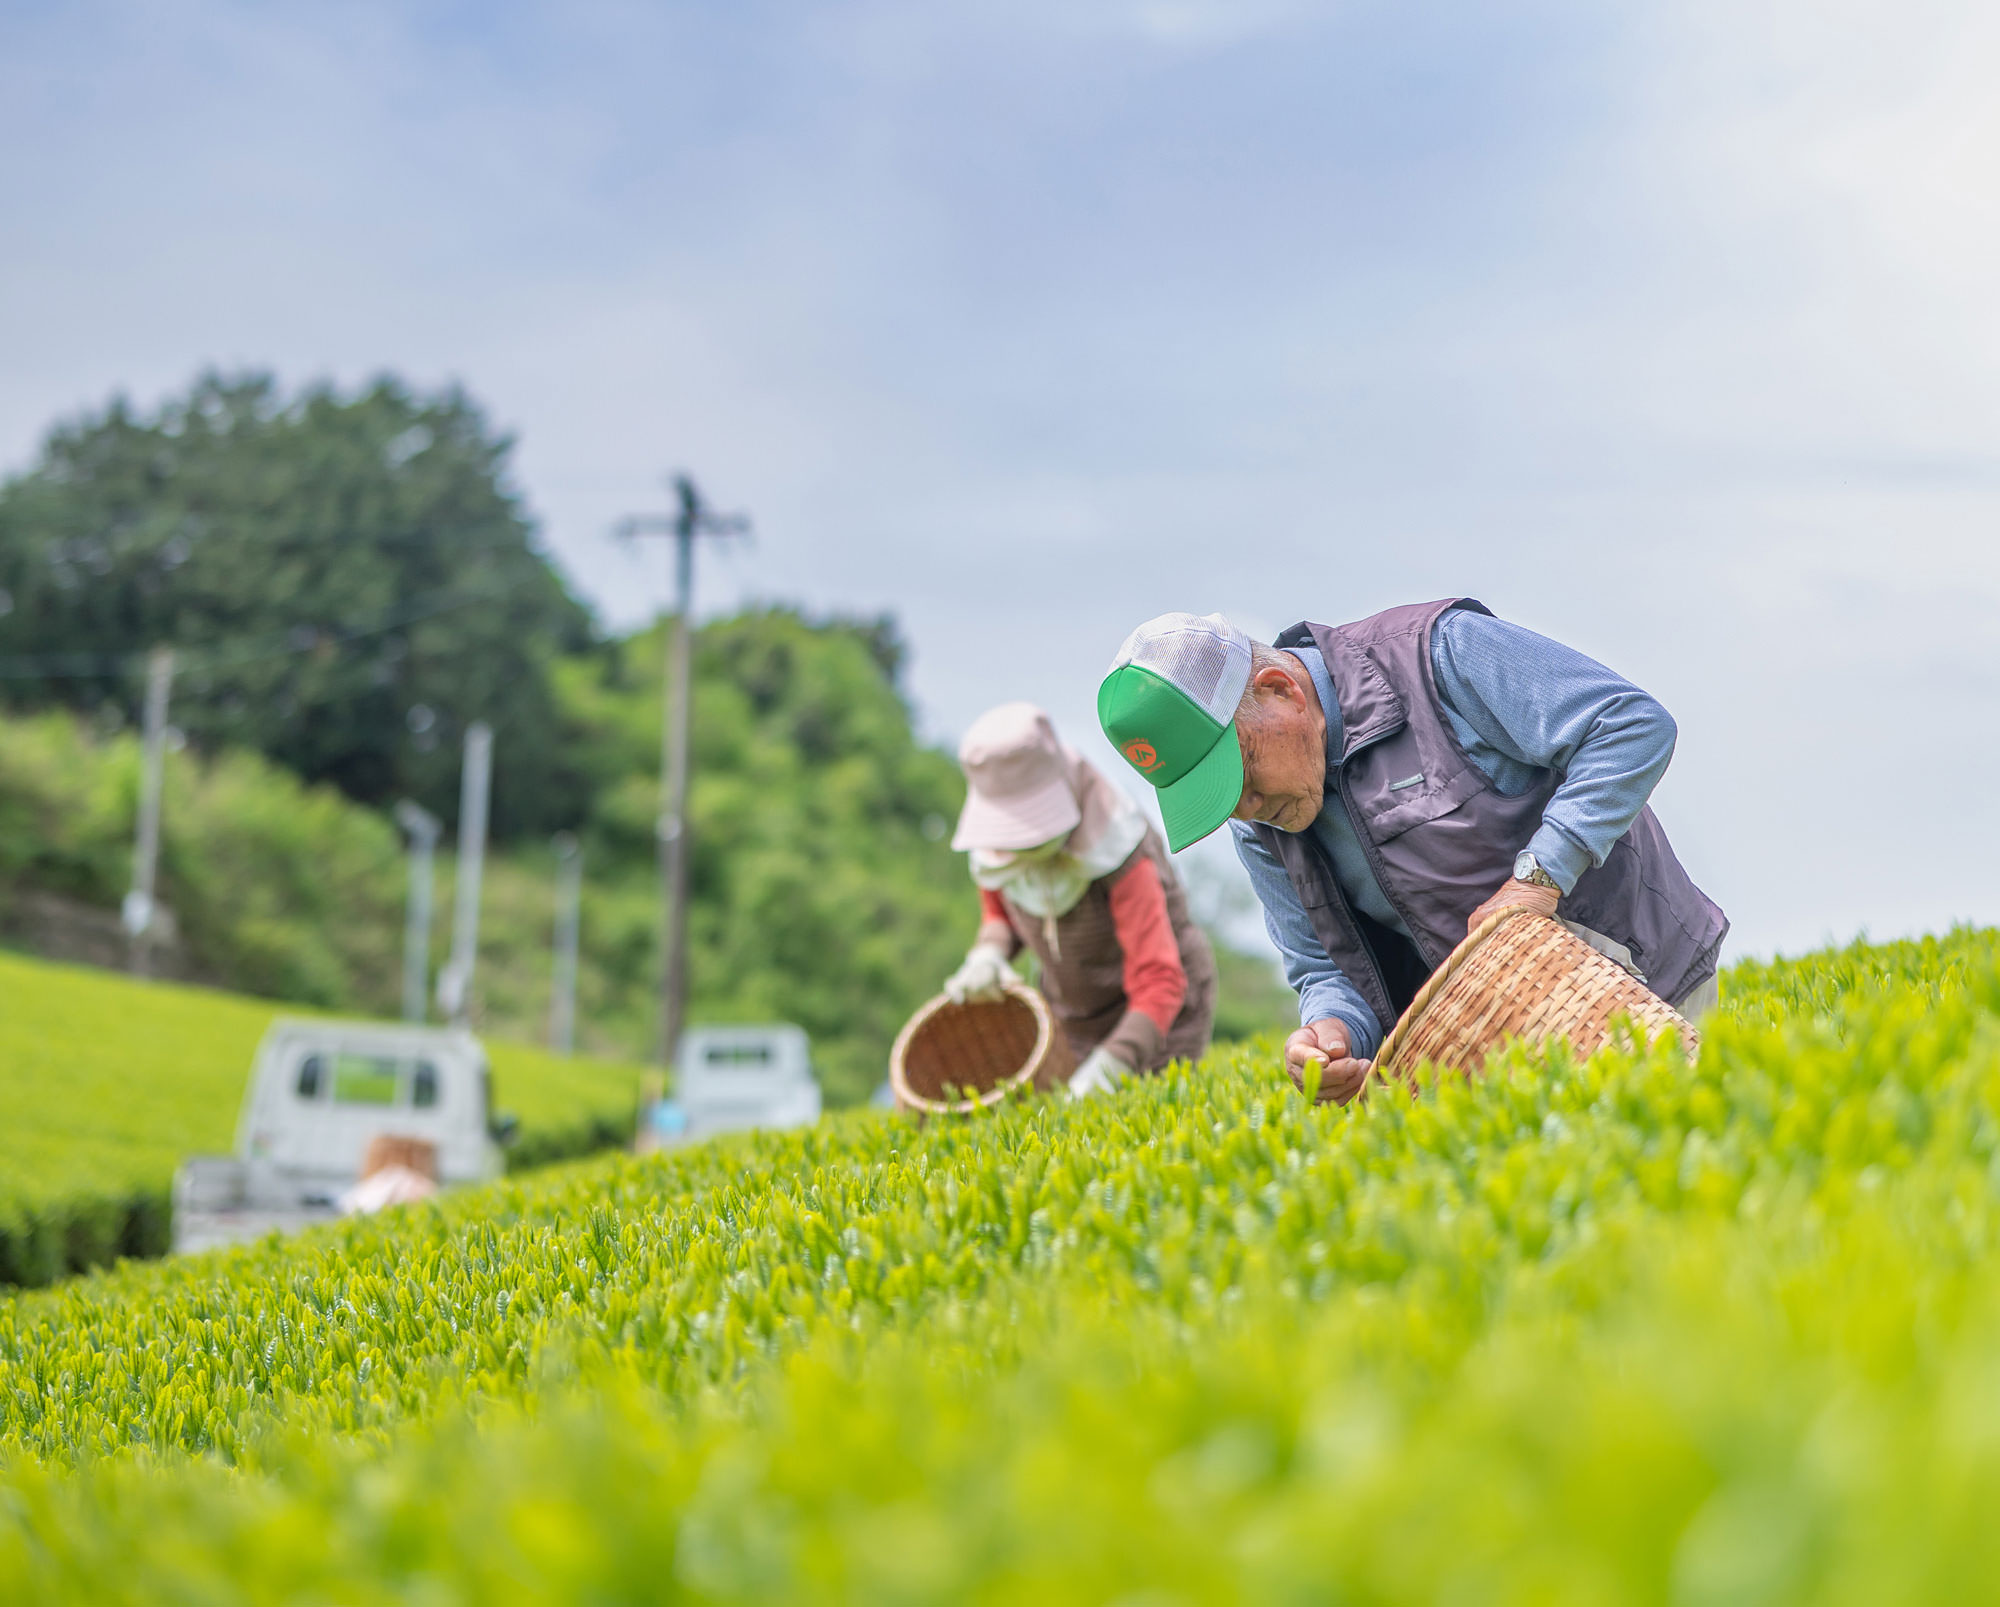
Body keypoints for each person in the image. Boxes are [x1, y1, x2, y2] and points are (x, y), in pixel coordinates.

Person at [1096, 602, 1727, 1105]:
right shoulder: (1260, 820)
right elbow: (1323, 970)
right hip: (1489, 1057)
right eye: (1213, 795)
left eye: (1239, 769)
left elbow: (1628, 725)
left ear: (1280, 689)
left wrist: (1538, 877)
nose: (1242, 805)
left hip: (1646, 991)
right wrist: (1330, 1032)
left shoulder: (1440, 655)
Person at [942, 702, 1216, 1096]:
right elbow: (1000, 913)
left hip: (1160, 1018)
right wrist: (988, 954)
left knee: (1152, 1109)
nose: (1020, 849)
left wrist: (1114, 1061)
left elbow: (1159, 978)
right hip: (1073, 1019)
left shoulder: (1118, 846)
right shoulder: (996, 852)